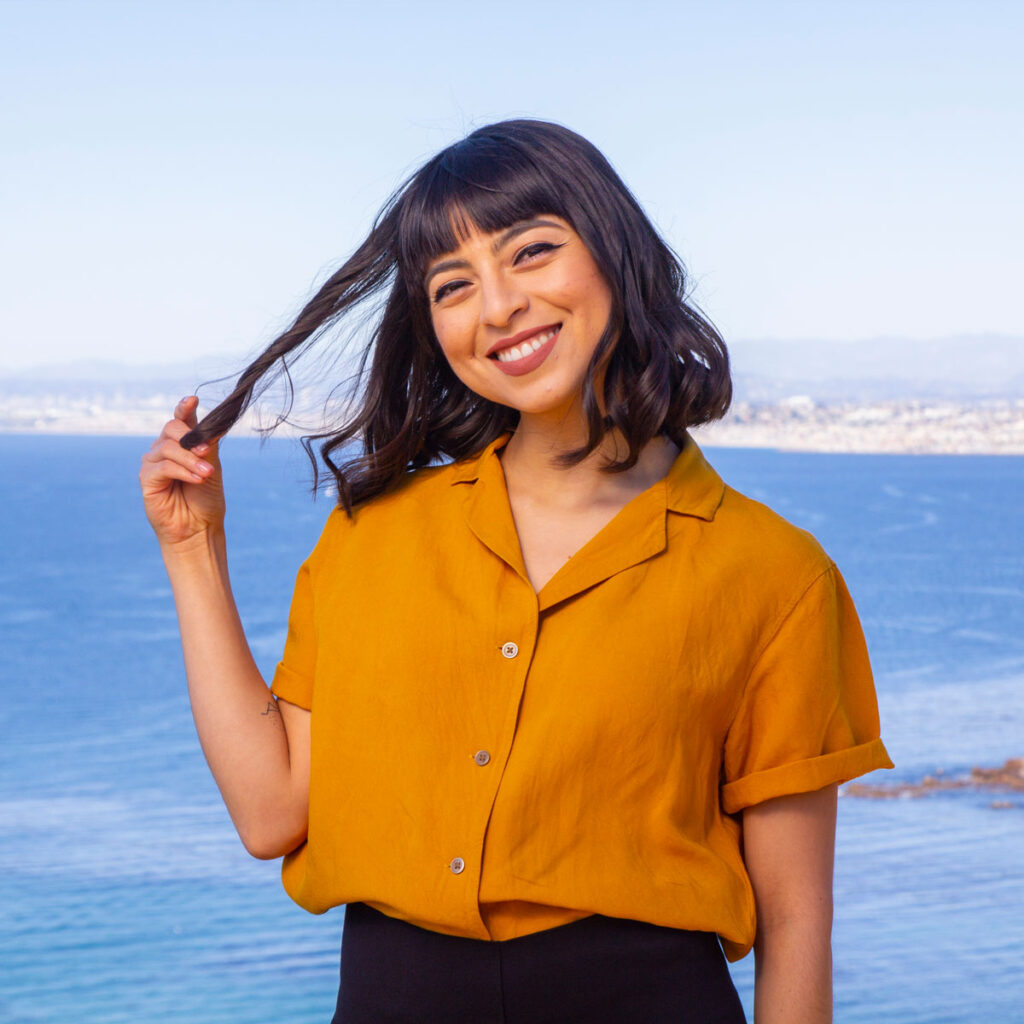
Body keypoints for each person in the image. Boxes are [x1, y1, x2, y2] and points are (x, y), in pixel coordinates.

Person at [140, 119, 892, 1023]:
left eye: (530, 253)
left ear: (615, 252)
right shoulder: (371, 537)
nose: (497, 307)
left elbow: (797, 921)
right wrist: (192, 551)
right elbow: (272, 815)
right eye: (453, 286)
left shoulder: (774, 574)